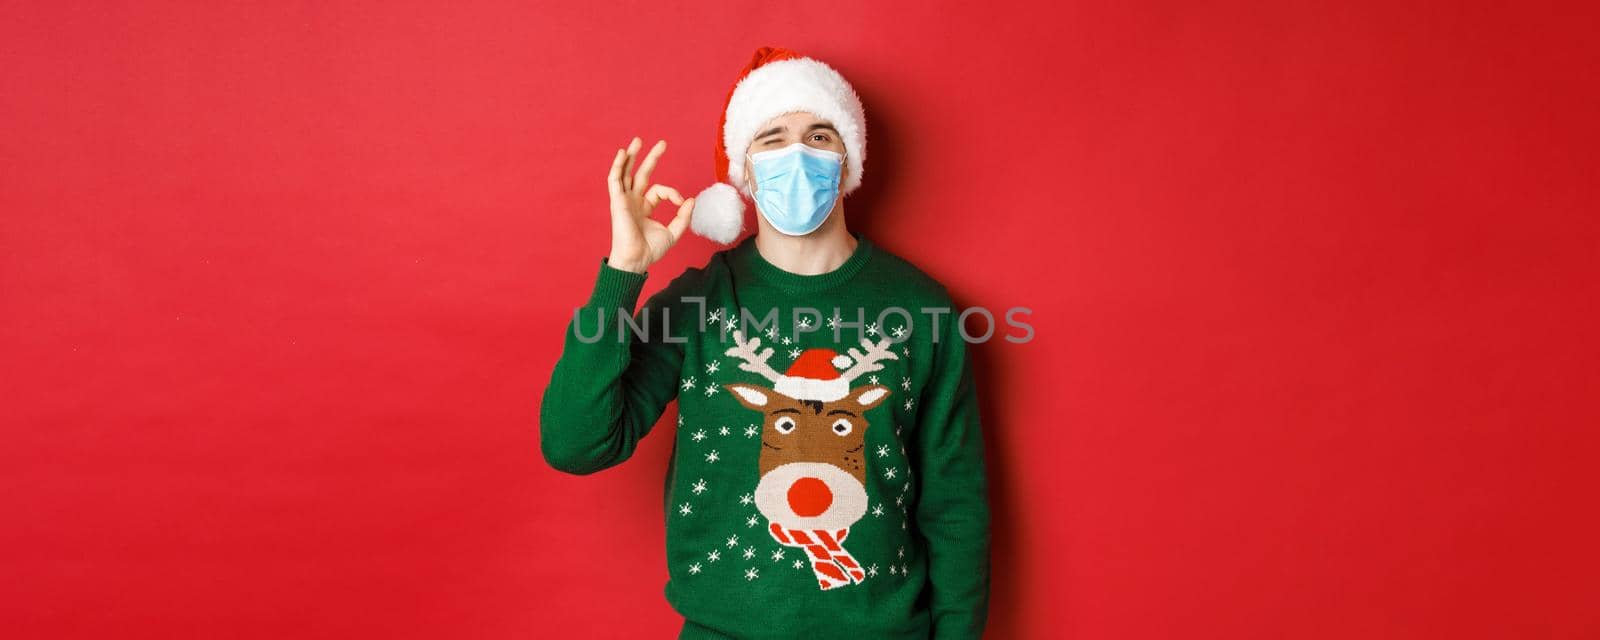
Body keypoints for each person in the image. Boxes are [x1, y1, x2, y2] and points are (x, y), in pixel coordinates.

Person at [539, 46, 991, 639]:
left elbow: (954, 506)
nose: (797, 154)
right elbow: (577, 444)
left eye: (820, 135)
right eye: (772, 137)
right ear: (744, 170)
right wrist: (624, 271)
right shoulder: (700, 303)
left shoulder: (921, 309)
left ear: (849, 158)